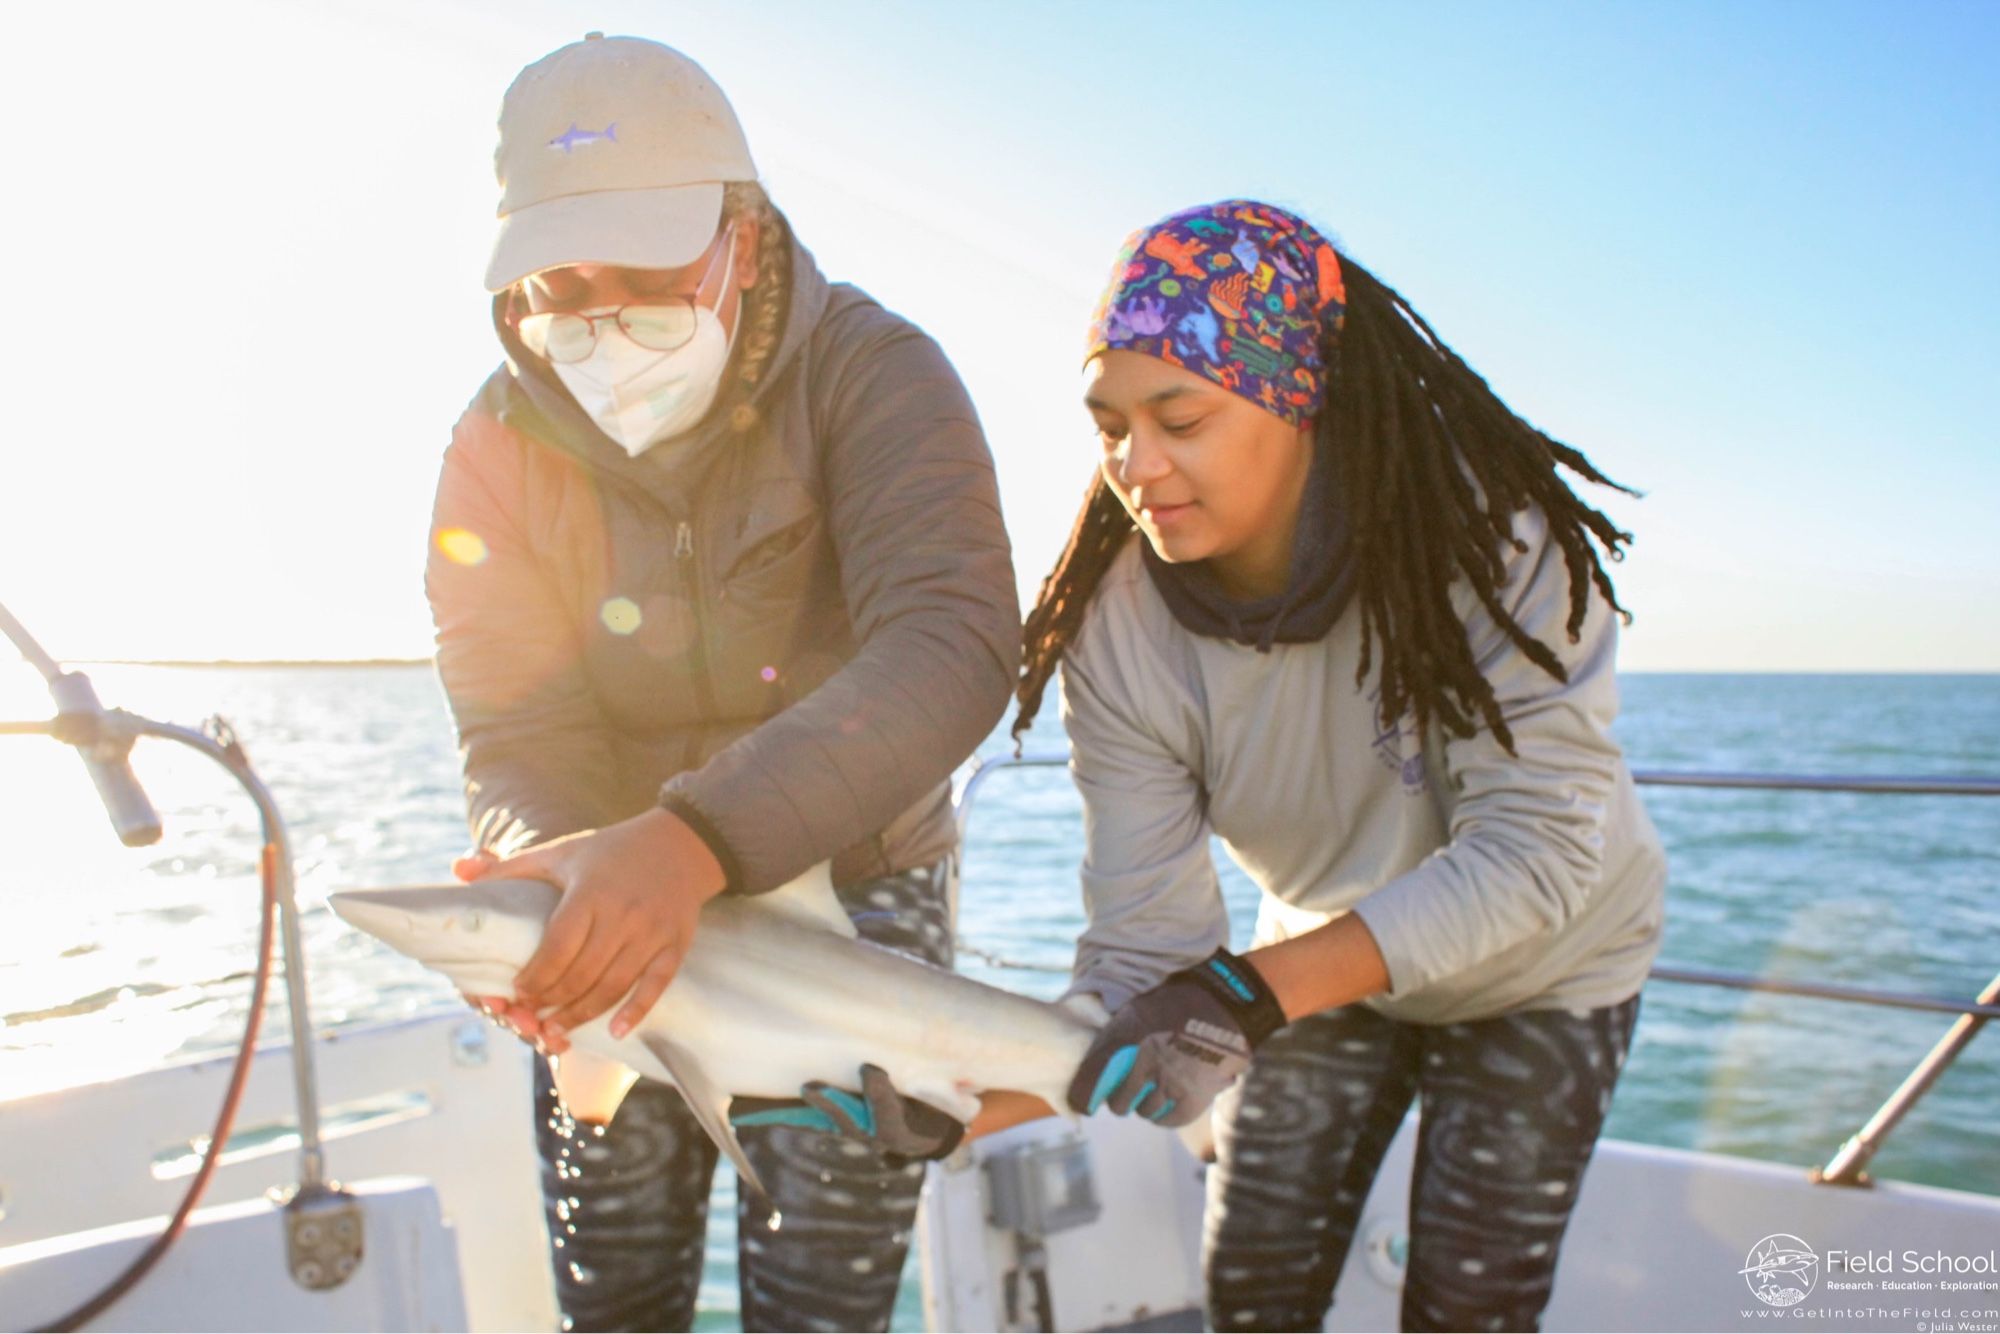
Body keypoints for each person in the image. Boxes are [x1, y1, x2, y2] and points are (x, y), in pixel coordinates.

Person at [422, 34, 1018, 1332]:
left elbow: (955, 643)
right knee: (613, 1282)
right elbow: (515, 718)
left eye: (642, 275)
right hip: (608, 902)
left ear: (741, 231)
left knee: (822, 1293)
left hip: (853, 884)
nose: (595, 321)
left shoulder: (880, 374)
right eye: (552, 285)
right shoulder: (491, 443)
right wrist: (539, 868)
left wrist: (693, 839)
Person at [1012, 200, 1667, 1331]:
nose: (1135, 463)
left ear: (1297, 394)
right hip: (1317, 953)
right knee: (1251, 1287)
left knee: (1466, 1304)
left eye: (1180, 416)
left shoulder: (1492, 536)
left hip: (1546, 967)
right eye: (1108, 423)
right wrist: (947, 1101)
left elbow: (1535, 852)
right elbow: (1143, 957)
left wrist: (1241, 997)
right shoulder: (1116, 628)